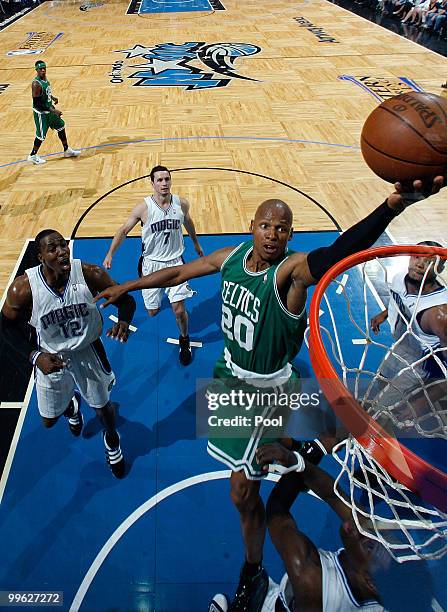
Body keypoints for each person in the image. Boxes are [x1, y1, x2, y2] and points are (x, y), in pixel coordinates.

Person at [94, 178, 444, 610]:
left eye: (282, 228)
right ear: (252, 225)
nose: (273, 234)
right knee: (245, 492)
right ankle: (267, 539)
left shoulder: (291, 273)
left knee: (257, 483)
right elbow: (180, 272)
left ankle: (260, 561)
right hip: (231, 379)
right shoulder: (233, 257)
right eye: (266, 225)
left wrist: (391, 205)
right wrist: (126, 286)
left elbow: (339, 253)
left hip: (272, 387)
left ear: (290, 235)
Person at [0, 229, 136, 478]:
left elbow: (126, 301)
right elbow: (5, 327)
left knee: (102, 407)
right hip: (50, 357)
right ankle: (71, 407)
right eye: (53, 248)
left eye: (63, 245)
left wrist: (124, 322)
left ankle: (112, 439)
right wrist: (35, 356)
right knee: (48, 421)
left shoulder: (89, 273)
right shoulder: (23, 289)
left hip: (87, 351)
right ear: (40, 256)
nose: (62, 251)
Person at [209, 442, 385, 612]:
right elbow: (334, 496)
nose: (352, 527)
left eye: (368, 545)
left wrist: (295, 461)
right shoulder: (384, 564)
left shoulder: (308, 575)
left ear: (368, 578)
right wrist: (313, 450)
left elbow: (277, 508)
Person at [102, 165, 203, 366]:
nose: (164, 183)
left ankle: (185, 339)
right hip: (151, 265)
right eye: (160, 180)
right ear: (152, 183)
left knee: (179, 310)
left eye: (167, 179)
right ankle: (166, 297)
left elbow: (188, 222)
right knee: (152, 312)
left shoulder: (181, 204)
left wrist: (196, 243)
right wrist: (110, 253)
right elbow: (123, 231)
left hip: (176, 264)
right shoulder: (143, 208)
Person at [369, 240, 447, 430]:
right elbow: (401, 300)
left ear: (440, 267)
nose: (420, 264)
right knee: (381, 379)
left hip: (423, 362)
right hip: (404, 345)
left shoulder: (438, 315)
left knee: (383, 407)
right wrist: (384, 313)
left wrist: (420, 405)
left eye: (429, 261)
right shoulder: (400, 277)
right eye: (417, 257)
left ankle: (380, 428)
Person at [28, 61, 80, 165]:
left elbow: (46, 93)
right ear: (36, 70)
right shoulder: (36, 84)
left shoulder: (45, 79)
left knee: (61, 126)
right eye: (40, 69)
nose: (43, 70)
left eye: (44, 68)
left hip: (49, 110)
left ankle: (67, 150)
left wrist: (52, 97)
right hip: (41, 114)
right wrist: (54, 110)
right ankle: (32, 156)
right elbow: (38, 104)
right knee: (41, 136)